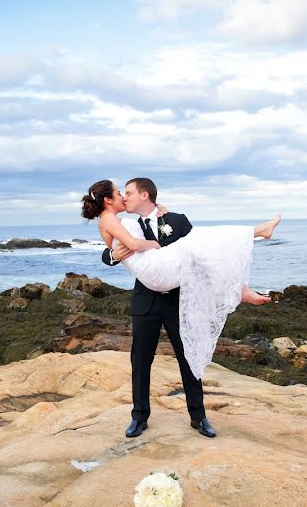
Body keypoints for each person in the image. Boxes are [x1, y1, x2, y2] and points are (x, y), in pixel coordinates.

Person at [80, 178, 280, 439]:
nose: (125, 197)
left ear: (145, 195)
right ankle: (139, 418)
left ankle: (198, 417)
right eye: (121, 193)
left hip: (177, 299)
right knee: (140, 361)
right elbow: (109, 250)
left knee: (188, 357)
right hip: (146, 301)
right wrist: (113, 256)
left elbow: (205, 257)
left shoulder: (176, 219)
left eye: (128, 193)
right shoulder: (125, 222)